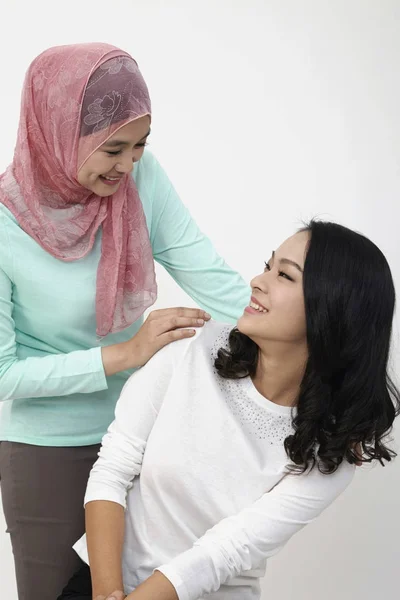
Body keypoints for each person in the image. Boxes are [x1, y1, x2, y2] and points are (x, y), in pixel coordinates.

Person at [0, 43, 250, 600]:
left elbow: (206, 271)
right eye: (113, 149)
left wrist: (305, 343)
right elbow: (3, 374)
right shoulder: (3, 224)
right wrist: (125, 354)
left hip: (143, 440)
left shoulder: (141, 179)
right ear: (57, 131)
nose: (128, 165)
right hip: (48, 453)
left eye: (139, 147)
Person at [61, 220, 399, 600]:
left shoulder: (332, 450)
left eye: (284, 275)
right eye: (268, 265)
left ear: (331, 310)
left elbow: (225, 550)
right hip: (104, 585)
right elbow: (113, 468)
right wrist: (108, 592)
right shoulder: (192, 348)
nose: (258, 280)